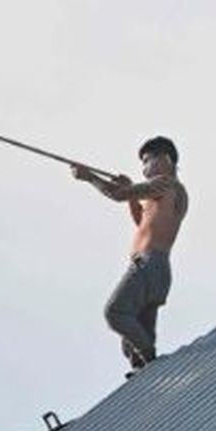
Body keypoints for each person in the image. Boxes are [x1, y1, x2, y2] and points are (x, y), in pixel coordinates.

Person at [72, 136, 189, 374]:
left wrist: (90, 177)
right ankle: (145, 370)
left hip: (148, 264)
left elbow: (116, 194)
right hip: (156, 268)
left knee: (116, 312)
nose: (144, 168)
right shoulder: (169, 192)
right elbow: (142, 221)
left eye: (147, 160)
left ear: (165, 159)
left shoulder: (165, 183)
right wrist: (132, 195)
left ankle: (149, 358)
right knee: (135, 337)